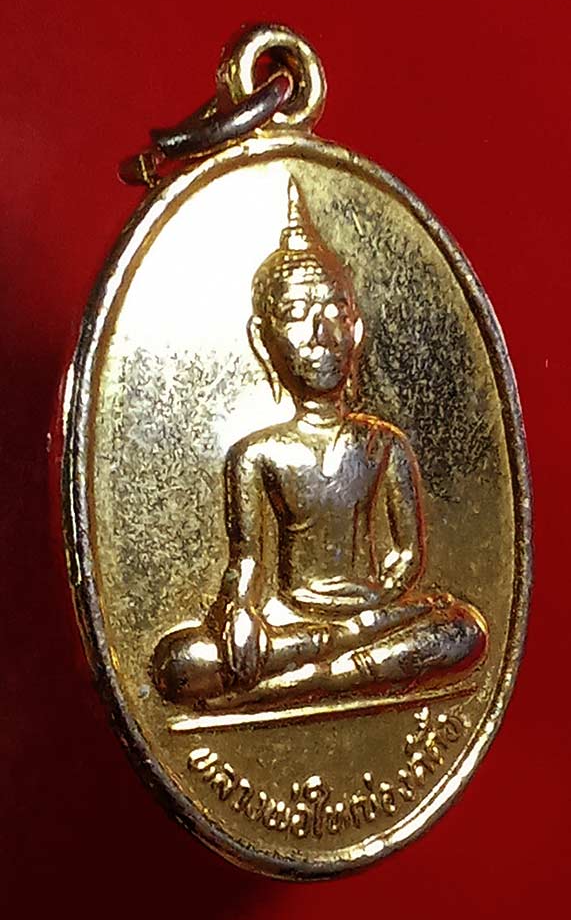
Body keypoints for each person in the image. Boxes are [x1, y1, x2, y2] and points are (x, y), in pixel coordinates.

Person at [152, 179, 487, 709]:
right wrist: (239, 611)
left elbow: (406, 554)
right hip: (292, 622)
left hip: (374, 616)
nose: (319, 330)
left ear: (355, 329)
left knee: (463, 629)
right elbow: (247, 561)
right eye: (295, 313)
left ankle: (300, 684)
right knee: (184, 661)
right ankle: (341, 669)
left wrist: (378, 602)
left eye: (334, 310)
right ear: (263, 339)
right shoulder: (257, 455)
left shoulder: (383, 444)